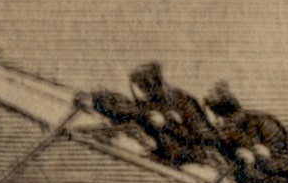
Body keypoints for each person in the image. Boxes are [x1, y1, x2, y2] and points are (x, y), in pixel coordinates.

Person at [84, 63, 215, 166]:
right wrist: (97, 100)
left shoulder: (184, 102)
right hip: (159, 153)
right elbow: (130, 109)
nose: (140, 93)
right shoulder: (148, 102)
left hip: (186, 158)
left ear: (152, 85)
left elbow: (204, 138)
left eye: (142, 87)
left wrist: (167, 124)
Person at [204, 82, 288, 183]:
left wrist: (255, 158)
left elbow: (283, 163)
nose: (218, 125)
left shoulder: (263, 123)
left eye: (218, 121)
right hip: (247, 178)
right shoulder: (226, 131)